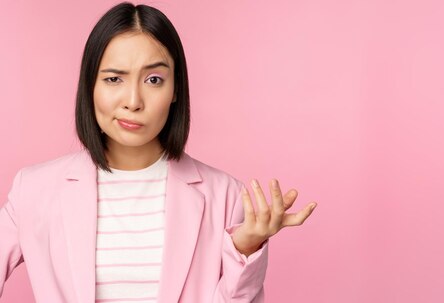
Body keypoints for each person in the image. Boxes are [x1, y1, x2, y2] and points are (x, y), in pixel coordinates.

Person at [0, 2, 316, 302]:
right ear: (89, 86)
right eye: (113, 79)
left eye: (154, 79)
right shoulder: (34, 190)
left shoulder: (227, 196)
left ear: (175, 88)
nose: (133, 101)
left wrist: (245, 250)